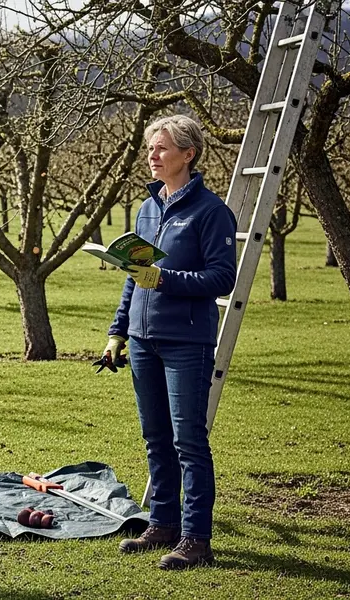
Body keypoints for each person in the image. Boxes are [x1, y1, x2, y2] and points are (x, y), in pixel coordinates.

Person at [104, 115, 237, 570]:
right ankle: (162, 524)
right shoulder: (147, 209)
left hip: (186, 342)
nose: (152, 156)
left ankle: (196, 538)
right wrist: (118, 330)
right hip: (142, 340)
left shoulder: (211, 212)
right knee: (156, 437)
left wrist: (165, 278)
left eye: (161, 149)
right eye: (150, 149)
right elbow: (134, 277)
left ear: (188, 153)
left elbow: (222, 277)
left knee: (189, 442)